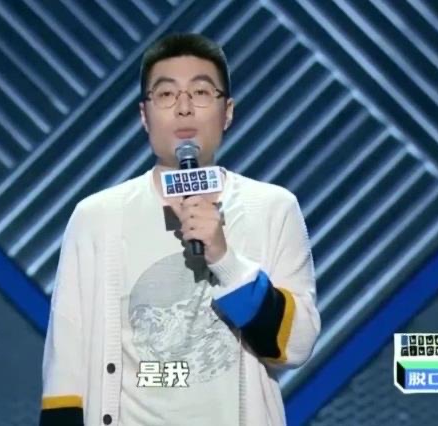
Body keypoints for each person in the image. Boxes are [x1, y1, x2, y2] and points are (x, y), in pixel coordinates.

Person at [39, 33, 320, 426]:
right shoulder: (97, 217)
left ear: (227, 112)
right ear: (144, 115)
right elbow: (65, 366)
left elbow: (297, 344)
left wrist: (225, 258)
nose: (184, 108)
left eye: (201, 92)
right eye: (167, 94)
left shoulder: (272, 208)